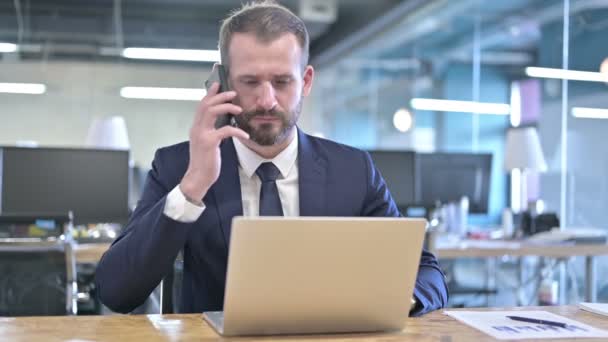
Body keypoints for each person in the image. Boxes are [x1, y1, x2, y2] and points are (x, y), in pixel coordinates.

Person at [95, 0, 447, 316]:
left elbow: (426, 272)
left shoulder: (353, 170)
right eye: (250, 81)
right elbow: (117, 291)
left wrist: (402, 300)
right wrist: (192, 187)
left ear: (306, 80)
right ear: (222, 81)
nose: (266, 100)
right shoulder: (178, 167)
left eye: (282, 81)